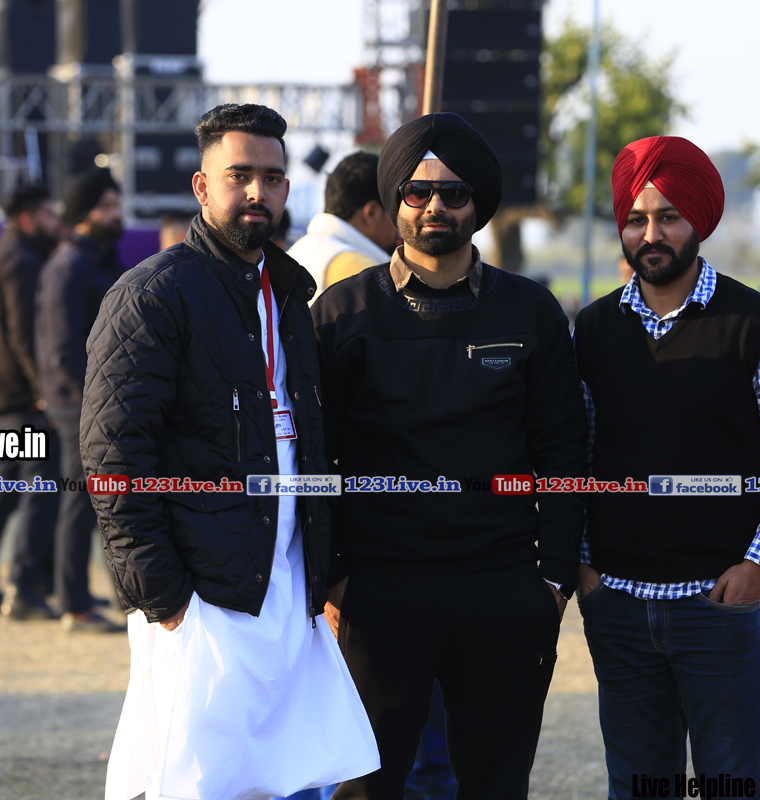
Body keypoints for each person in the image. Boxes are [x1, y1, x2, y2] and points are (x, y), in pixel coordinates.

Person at [82, 103, 378, 800]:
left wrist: (326, 570)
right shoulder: (154, 294)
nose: (257, 192)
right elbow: (113, 455)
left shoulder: (290, 294)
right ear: (202, 186)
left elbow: (312, 443)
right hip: (201, 594)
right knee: (200, 783)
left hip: (288, 585)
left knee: (291, 777)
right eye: (239, 175)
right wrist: (163, 596)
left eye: (271, 178)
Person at [312, 112, 586, 800]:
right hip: (380, 591)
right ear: (394, 200)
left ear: (478, 204)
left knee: (497, 785)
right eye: (417, 191)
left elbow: (563, 449)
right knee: (364, 789)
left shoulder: (530, 311)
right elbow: (314, 457)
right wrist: (331, 577)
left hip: (504, 586)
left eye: (454, 192)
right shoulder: (342, 313)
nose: (435, 205)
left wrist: (553, 580)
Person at [574, 135, 760, 798]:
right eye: (636, 219)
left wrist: (759, 566)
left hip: (719, 606)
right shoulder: (593, 329)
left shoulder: (758, 322)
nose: (651, 234)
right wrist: (584, 568)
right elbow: (571, 455)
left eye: (668, 217)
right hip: (619, 607)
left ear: (699, 220)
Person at [0, 183, 63, 618]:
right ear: (28, 217)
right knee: (41, 488)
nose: (54, 223)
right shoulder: (23, 262)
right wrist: (43, 391)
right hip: (25, 400)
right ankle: (23, 587)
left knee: (2, 490)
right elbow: (26, 337)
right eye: (48, 215)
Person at [35, 168, 126, 634]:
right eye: (105, 206)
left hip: (102, 405)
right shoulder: (67, 266)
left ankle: (115, 598)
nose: (116, 214)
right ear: (82, 214)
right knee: (80, 504)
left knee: (108, 503)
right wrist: (92, 403)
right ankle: (74, 605)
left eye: (116, 204)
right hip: (80, 407)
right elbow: (63, 350)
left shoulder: (100, 260)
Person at [287, 151, 399, 302]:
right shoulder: (360, 269)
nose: (400, 224)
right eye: (395, 212)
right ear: (371, 213)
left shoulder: (297, 252)